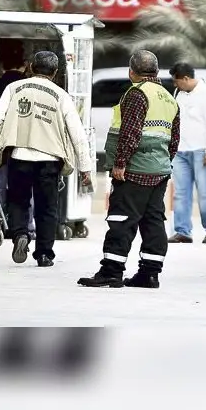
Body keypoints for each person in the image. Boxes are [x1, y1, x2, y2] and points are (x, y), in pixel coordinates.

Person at [78, 50, 180, 288]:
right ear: (155, 71)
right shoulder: (168, 98)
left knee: (121, 218)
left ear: (131, 72)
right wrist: (163, 163)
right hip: (159, 170)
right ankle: (150, 273)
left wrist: (121, 162)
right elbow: (174, 139)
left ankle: (112, 271)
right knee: (153, 220)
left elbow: (130, 132)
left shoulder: (136, 94)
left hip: (135, 169)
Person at [0, 51, 94, 267]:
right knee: (47, 207)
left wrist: (1, 136)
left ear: (31, 68)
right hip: (50, 159)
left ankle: (20, 236)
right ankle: (44, 254)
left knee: (18, 200)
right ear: (55, 73)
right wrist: (85, 168)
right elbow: (77, 133)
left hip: (20, 155)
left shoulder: (14, 89)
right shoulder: (61, 95)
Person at [0, 46, 35, 241]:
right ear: (24, 64)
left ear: (1, 65)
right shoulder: (28, 86)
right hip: (24, 145)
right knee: (25, 187)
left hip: (1, 145)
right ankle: (27, 226)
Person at [168, 62, 206, 244]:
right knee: (181, 193)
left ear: (186, 78)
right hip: (181, 151)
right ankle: (183, 231)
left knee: (205, 192)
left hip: (202, 151)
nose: (175, 86)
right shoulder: (179, 94)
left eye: (177, 82)